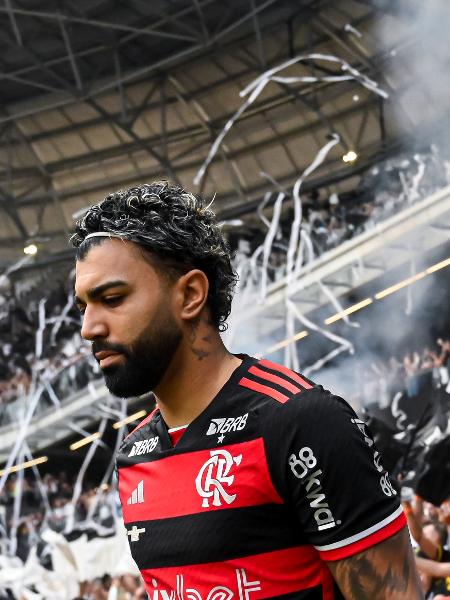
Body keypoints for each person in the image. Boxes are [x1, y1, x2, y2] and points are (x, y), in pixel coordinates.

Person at [72, 182, 424, 600]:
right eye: (83, 307)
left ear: (190, 294)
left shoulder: (300, 422)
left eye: (111, 298)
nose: (88, 328)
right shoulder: (133, 456)